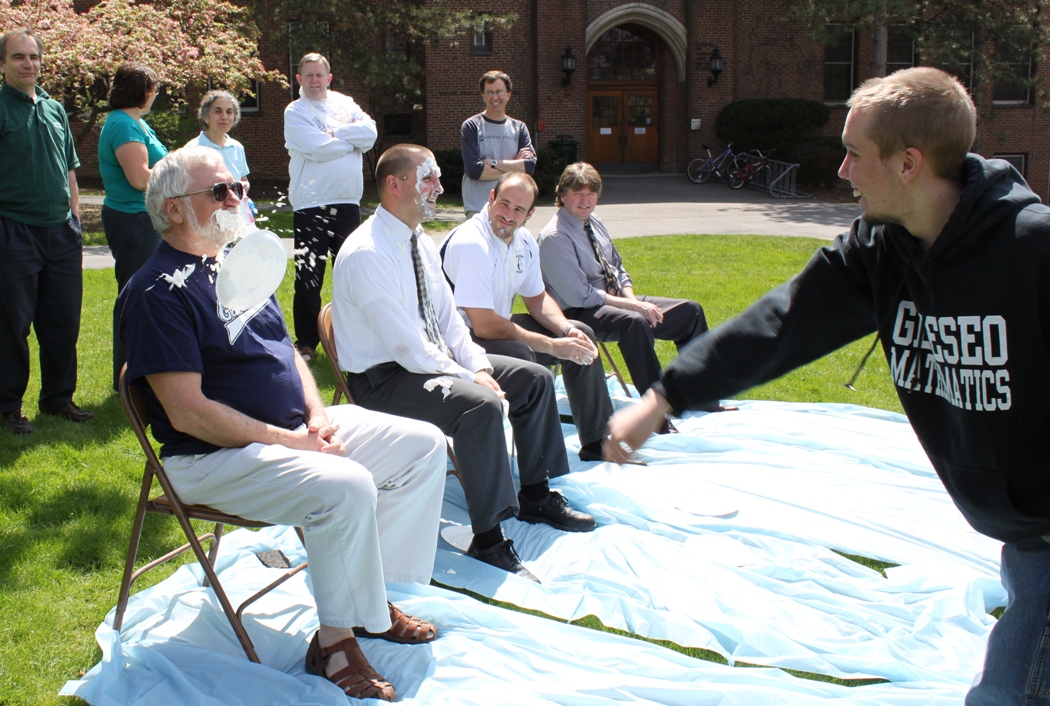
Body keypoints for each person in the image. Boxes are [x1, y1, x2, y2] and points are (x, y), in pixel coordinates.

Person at [604, 67, 1050, 706]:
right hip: (1021, 528)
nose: (840, 171)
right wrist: (664, 394)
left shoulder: (1032, 251)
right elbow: (785, 321)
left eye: (853, 153)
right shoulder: (881, 249)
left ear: (908, 163)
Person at [118, 146, 446, 702]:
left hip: (291, 431)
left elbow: (289, 354)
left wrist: (317, 418)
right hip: (208, 458)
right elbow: (187, 411)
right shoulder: (156, 293)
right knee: (345, 486)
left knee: (424, 445)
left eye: (237, 188)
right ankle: (335, 643)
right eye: (218, 191)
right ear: (173, 209)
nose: (235, 199)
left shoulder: (234, 264)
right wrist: (292, 441)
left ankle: (369, 599)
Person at [331, 144, 596, 584]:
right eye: (429, 178)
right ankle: (488, 539)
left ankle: (533, 492)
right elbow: (407, 348)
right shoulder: (366, 253)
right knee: (480, 406)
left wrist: (480, 367)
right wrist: (470, 377)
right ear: (395, 185)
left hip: (424, 360)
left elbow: (448, 320)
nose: (439, 187)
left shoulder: (418, 240)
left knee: (532, 378)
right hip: (383, 380)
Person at [441, 172, 616, 462]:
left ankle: (597, 442)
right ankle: (541, 466)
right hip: (458, 340)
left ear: (530, 214)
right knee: (524, 352)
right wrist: (550, 346)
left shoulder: (523, 241)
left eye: (519, 209)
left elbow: (537, 299)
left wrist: (565, 330)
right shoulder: (472, 243)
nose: (509, 215)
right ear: (491, 198)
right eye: (504, 204)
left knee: (580, 331)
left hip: (491, 325)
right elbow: (483, 325)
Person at [538, 162, 718, 421]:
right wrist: (634, 308)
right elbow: (580, 296)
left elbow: (617, 267)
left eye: (591, 193)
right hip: (580, 313)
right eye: (577, 193)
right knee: (634, 323)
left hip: (615, 301)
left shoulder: (594, 222)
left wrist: (632, 299)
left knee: (690, 312)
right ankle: (657, 411)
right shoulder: (554, 237)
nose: (585, 200)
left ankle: (701, 396)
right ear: (562, 195)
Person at [0, 29, 91, 434]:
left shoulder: (54, 109)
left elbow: (69, 167)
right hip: (12, 230)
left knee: (62, 322)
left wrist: (73, 217)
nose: (28, 64)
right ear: (3, 64)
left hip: (61, 232)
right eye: (18, 57)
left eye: (34, 57)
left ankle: (58, 400)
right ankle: (7, 408)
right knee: (11, 325)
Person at [284, 52, 376, 362]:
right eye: (307, 75)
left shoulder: (345, 104)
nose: (313, 80)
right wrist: (351, 140)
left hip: (348, 202)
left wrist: (334, 134)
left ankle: (348, 339)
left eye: (319, 75)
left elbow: (371, 134)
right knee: (309, 277)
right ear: (299, 79)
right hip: (311, 204)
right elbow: (315, 148)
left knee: (350, 275)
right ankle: (307, 343)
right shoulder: (295, 111)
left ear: (329, 78)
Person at [98, 62, 168, 390]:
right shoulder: (124, 125)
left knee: (147, 296)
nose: (155, 94)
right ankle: (129, 380)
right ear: (143, 91)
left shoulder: (136, 123)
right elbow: (140, 177)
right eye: (153, 88)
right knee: (135, 297)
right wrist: (177, 172)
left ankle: (143, 372)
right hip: (132, 221)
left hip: (143, 219)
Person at [460, 70, 536, 218]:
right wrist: (515, 166)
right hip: (478, 208)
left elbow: (529, 167)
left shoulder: (519, 128)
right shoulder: (471, 126)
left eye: (499, 92)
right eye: (489, 92)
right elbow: (474, 171)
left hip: (512, 209)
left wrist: (493, 163)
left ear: (509, 94)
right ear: (483, 95)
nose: (494, 97)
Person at [185, 89, 254, 224]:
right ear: (206, 117)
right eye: (218, 111)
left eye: (229, 112)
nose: (224, 116)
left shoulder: (237, 147)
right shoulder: (193, 149)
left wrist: (243, 186)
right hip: (206, 219)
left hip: (236, 217)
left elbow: (244, 180)